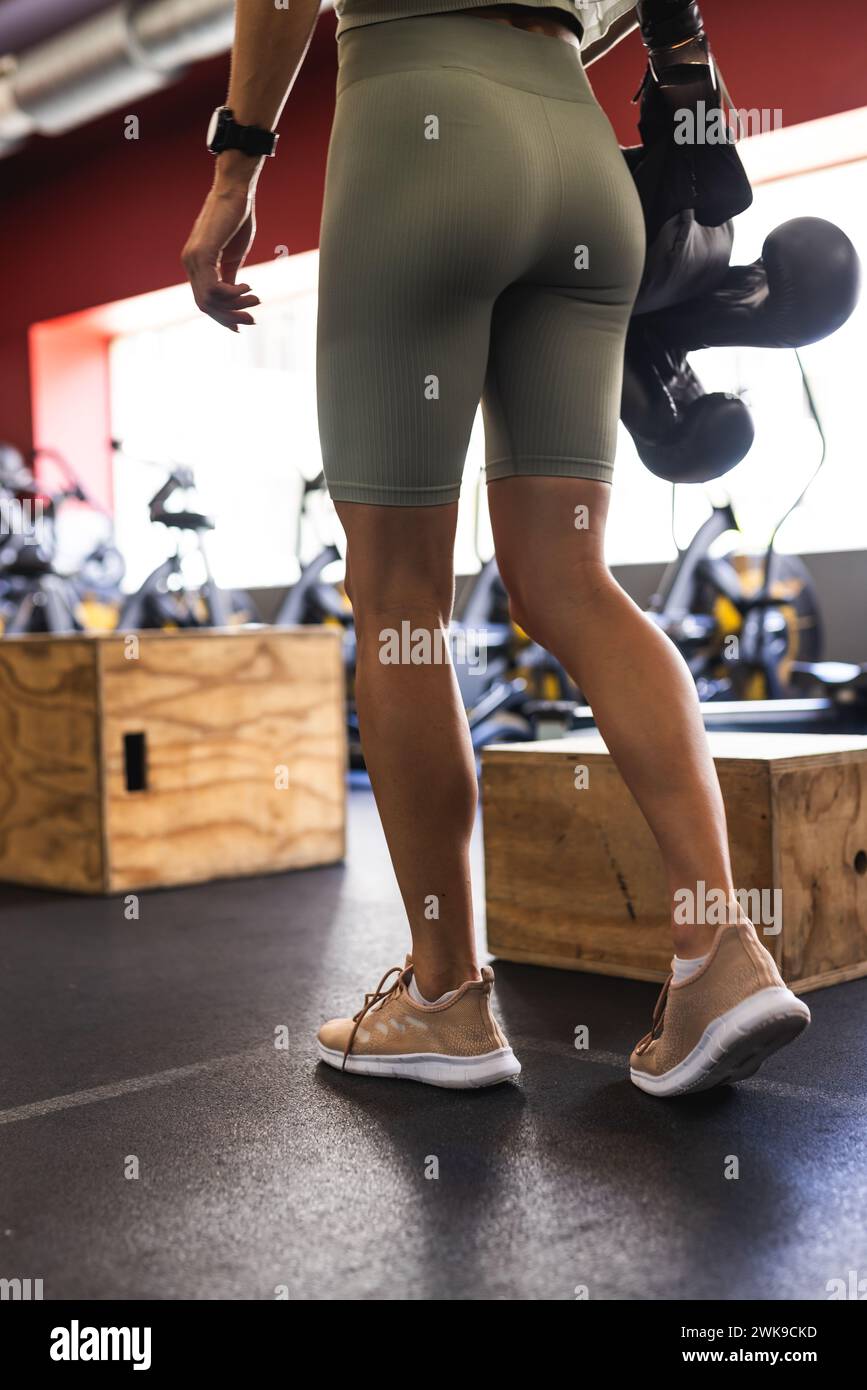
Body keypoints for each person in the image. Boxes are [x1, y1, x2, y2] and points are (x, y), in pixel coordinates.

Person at [182, 0, 810, 1097]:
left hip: (423, 124)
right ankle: (720, 954)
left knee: (400, 600)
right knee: (572, 578)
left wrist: (234, 175)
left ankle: (445, 1001)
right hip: (575, 146)